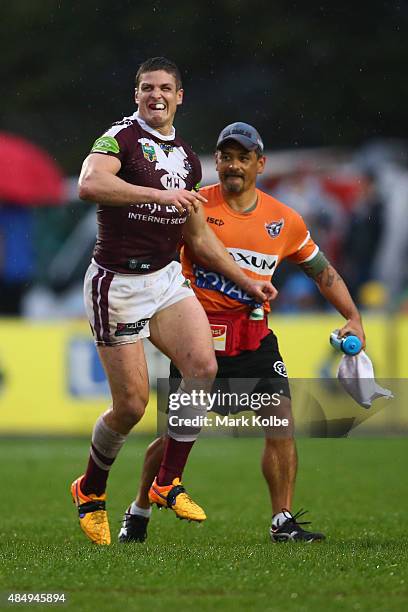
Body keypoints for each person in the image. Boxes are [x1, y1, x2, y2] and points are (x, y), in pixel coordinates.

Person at [119, 122, 366, 544]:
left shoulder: (283, 220)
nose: (233, 165)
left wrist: (354, 316)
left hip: (253, 338)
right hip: (197, 339)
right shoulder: (193, 205)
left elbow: (321, 271)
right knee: (174, 435)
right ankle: (139, 510)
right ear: (216, 161)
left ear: (260, 164)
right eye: (226, 156)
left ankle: (282, 520)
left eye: (243, 157)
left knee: (281, 422)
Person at [71, 61, 276, 545]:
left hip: (165, 280)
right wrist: (157, 196)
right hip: (117, 284)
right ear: (136, 93)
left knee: (202, 366)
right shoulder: (117, 138)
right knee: (131, 407)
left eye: (165, 88)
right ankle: (90, 490)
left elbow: (198, 237)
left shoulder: (188, 156)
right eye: (147, 88)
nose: (156, 95)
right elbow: (89, 185)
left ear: (180, 96)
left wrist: (247, 281)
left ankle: (166, 482)